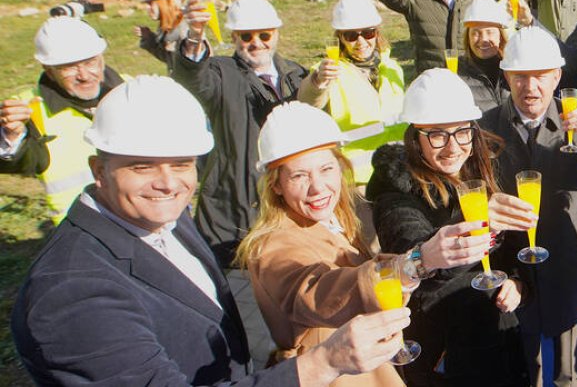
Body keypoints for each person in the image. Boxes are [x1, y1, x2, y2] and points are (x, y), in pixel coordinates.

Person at [11, 76, 412, 386]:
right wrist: (324, 362)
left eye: (182, 163)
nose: (168, 183)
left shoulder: (166, 220)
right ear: (100, 170)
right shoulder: (72, 290)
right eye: (142, 166)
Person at [480, 26, 577, 387]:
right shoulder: (485, 127)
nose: (530, 88)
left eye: (540, 77)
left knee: (568, 371)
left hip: (566, 255)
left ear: (557, 77)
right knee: (522, 360)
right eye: (520, 77)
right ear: (506, 76)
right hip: (514, 261)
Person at [367, 69, 532, 387]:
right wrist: (474, 225)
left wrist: (518, 282)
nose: (453, 146)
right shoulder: (394, 192)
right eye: (438, 135)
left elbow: (510, 247)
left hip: (497, 339)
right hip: (443, 352)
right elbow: (414, 248)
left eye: (461, 132)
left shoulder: (483, 169)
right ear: (415, 137)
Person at [174, 0, 306, 362]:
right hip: (235, 222)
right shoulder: (220, 73)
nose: (256, 45)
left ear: (276, 33)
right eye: (246, 37)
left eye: (264, 35)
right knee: (254, 330)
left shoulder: (297, 73)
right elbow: (192, 78)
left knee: (295, 316)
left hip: (286, 215)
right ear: (233, 39)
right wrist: (195, 38)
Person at [237, 101, 406, 386]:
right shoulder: (272, 244)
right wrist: (413, 264)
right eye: (300, 176)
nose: (317, 187)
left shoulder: (334, 218)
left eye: (326, 169)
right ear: (276, 185)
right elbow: (315, 292)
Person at [0, 17, 123, 223]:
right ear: (49, 70)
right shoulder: (28, 109)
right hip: (84, 231)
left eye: (90, 62)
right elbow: (20, 163)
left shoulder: (131, 89)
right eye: (69, 67)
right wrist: (10, 135)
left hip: (149, 219)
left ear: (102, 57)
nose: (84, 75)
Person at [298, 0, 407, 185]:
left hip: (400, 170)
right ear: (340, 37)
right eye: (351, 35)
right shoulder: (329, 71)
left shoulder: (392, 68)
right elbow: (307, 101)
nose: (361, 42)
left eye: (368, 33)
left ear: (377, 32)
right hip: (360, 180)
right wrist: (318, 81)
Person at [458, 0, 516, 113]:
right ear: (467, 37)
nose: (483, 39)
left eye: (490, 32)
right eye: (476, 33)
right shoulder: (456, 73)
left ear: (500, 35)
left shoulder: (514, 67)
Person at [134, 0, 188, 66]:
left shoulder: (185, 28)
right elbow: (169, 60)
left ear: (166, 2)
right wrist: (149, 38)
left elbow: (194, 67)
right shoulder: (167, 28)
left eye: (150, 3)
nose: (147, 8)